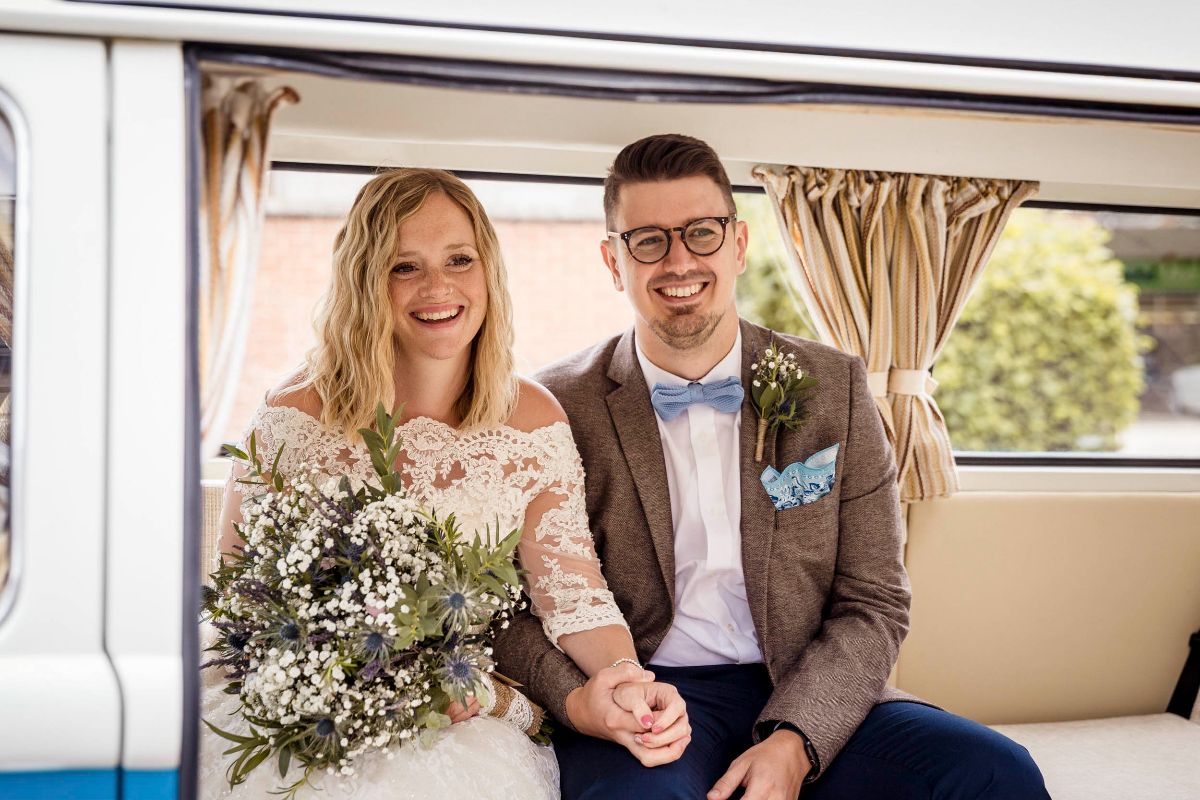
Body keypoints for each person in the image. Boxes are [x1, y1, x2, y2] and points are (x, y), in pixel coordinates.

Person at [494, 134, 1050, 799]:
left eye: (701, 233)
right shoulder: (550, 406)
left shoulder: (834, 385)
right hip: (646, 700)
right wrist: (585, 700)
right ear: (614, 261)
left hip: (807, 678)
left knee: (995, 772)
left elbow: (875, 598)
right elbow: (510, 611)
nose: (679, 261)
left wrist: (797, 740)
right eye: (648, 240)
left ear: (738, 245)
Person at [200, 168, 689, 799]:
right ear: (365, 281)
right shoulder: (295, 418)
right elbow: (243, 601)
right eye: (405, 266)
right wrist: (344, 676)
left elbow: (573, 594)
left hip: (464, 714)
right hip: (303, 704)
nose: (439, 287)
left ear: (488, 271)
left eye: (460, 259)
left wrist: (625, 682)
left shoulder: (535, 421)